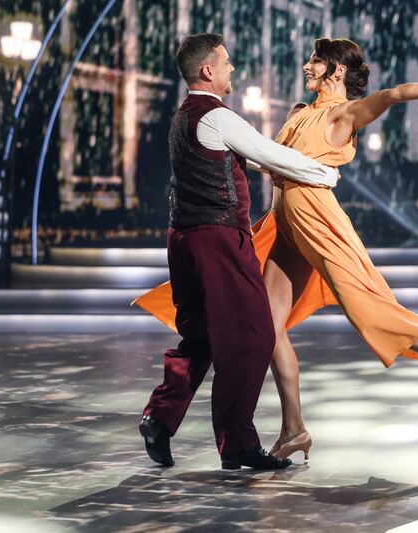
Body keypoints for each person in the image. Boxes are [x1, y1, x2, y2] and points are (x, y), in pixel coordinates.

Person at [136, 37, 418, 463]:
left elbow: (392, 96)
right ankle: (294, 427)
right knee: (267, 328)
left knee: (364, 304)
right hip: (284, 220)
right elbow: (267, 156)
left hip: (317, 218)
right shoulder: (298, 114)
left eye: (316, 60)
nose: (306, 65)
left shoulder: (344, 114)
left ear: (336, 71)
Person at [136, 33, 340, 471]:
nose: (232, 69)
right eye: (226, 63)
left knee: (201, 336)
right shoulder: (216, 117)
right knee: (253, 335)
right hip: (219, 239)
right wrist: (324, 174)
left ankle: (159, 416)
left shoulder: (181, 118)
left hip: (182, 238)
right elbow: (269, 154)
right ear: (208, 70)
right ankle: (238, 444)